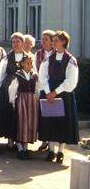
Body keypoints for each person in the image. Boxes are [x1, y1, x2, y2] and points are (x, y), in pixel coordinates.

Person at [38, 30, 79, 164]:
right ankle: (51, 150)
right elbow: (43, 76)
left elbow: (71, 81)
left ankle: (60, 151)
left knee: (63, 123)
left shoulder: (71, 60)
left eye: (56, 40)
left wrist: (55, 92)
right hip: (49, 93)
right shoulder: (48, 59)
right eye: (53, 40)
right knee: (50, 122)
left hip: (64, 94)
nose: (53, 43)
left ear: (63, 42)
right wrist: (49, 91)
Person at [0, 32, 34, 149]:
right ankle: (10, 140)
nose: (15, 44)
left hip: (24, 89)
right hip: (10, 87)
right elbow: (1, 73)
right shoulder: (7, 57)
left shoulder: (28, 57)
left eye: (18, 41)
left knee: (22, 116)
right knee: (10, 114)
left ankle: (22, 140)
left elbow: (34, 73)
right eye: (13, 42)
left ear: (23, 43)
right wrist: (2, 86)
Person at [8, 55, 40, 160]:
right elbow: (12, 89)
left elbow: (37, 90)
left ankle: (26, 148)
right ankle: (20, 147)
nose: (30, 65)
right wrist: (13, 101)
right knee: (21, 123)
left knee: (30, 124)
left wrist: (37, 99)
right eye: (27, 63)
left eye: (31, 63)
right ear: (22, 64)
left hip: (31, 101)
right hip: (21, 100)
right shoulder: (18, 75)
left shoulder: (34, 76)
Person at [34, 30, 55, 151]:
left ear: (52, 41)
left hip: (55, 88)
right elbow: (36, 70)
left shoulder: (56, 53)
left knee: (54, 115)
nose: (43, 41)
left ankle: (54, 141)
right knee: (43, 116)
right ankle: (44, 140)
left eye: (46, 39)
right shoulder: (38, 54)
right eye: (42, 39)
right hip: (43, 88)